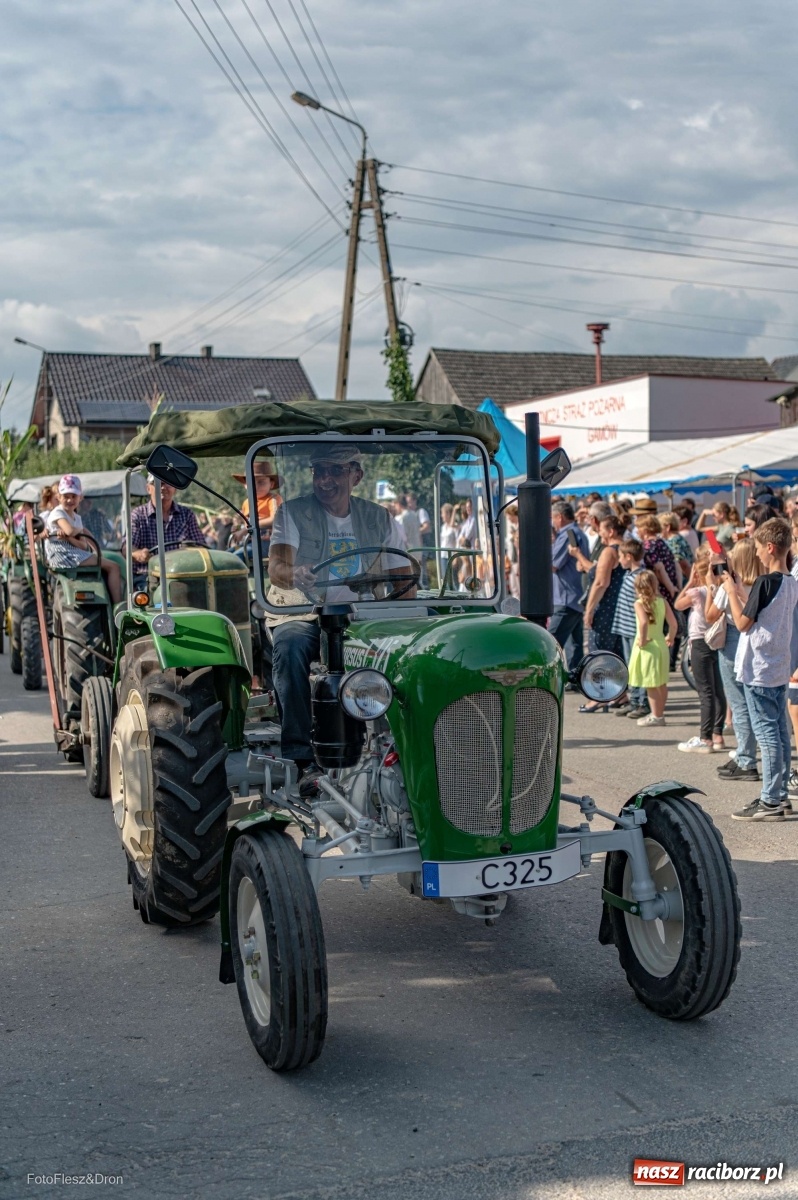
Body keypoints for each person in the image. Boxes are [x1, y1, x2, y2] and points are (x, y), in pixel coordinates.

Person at [267, 444, 414, 794]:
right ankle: (300, 756)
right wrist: (295, 572)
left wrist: (407, 622)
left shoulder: (380, 518)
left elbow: (403, 579)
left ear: (356, 475)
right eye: (319, 471)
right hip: (304, 611)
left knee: (403, 653)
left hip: (361, 618)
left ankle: (401, 747)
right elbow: (276, 567)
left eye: (335, 470)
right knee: (289, 647)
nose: (325, 479)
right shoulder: (292, 513)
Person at [723, 517, 798, 820]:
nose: (755, 554)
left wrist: (730, 591)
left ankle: (770, 799)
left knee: (767, 734)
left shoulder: (767, 582)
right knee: (779, 731)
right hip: (777, 664)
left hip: (760, 668)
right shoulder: (790, 582)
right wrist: (742, 591)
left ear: (769, 547)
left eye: (757, 548)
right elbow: (762, 612)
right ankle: (778, 795)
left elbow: (743, 623)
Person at [705, 539, 762, 782]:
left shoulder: (730, 587)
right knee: (751, 700)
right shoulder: (763, 583)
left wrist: (710, 587)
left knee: (738, 702)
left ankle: (746, 759)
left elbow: (710, 616)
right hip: (756, 641)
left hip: (732, 640)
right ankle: (743, 754)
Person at [674, 546, 726, 753]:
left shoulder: (696, 592)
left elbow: (678, 604)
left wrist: (689, 582)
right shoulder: (717, 590)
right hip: (715, 640)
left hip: (699, 642)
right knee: (718, 691)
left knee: (705, 691)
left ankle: (705, 738)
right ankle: (717, 733)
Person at [45, 475, 122, 603]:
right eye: (66, 496)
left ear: (80, 497)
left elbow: (82, 545)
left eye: (73, 496)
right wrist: (79, 531)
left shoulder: (77, 518)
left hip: (74, 552)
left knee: (107, 563)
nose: (70, 500)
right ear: (58, 497)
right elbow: (69, 530)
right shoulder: (58, 513)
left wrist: (76, 539)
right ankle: (119, 606)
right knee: (114, 567)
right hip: (62, 555)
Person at [577, 515, 625, 711]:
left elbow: (600, 582)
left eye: (602, 530)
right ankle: (620, 694)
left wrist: (589, 610)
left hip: (606, 607)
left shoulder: (609, 551)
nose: (600, 534)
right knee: (618, 653)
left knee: (599, 653)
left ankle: (600, 696)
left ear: (611, 531)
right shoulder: (627, 547)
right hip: (621, 607)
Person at [129, 473, 205, 582]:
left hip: (181, 575)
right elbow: (128, 548)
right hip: (149, 576)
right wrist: (140, 554)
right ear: (148, 488)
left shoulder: (186, 514)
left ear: (175, 489)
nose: (164, 487)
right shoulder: (138, 515)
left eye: (169, 484)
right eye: (158, 483)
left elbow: (200, 546)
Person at [628, 569, 677, 727]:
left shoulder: (639, 604)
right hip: (661, 644)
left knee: (651, 684)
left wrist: (642, 640)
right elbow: (673, 624)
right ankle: (659, 713)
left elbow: (642, 623)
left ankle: (657, 715)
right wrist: (671, 636)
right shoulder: (662, 602)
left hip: (648, 647)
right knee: (661, 683)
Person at [550, 501, 589, 673]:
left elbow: (552, 564)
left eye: (553, 518)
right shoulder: (579, 532)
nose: (553, 522)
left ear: (560, 517)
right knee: (576, 643)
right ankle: (575, 676)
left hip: (566, 597)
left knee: (551, 641)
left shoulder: (567, 534)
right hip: (575, 594)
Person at [612, 538, 648, 718]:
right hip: (625, 627)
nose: (619, 560)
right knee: (630, 667)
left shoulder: (640, 578)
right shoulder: (628, 574)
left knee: (638, 667)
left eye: (620, 556)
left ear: (628, 556)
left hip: (635, 630)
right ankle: (633, 700)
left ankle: (642, 702)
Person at [231, 458, 282, 555]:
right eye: (251, 482)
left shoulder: (274, 499)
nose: (256, 486)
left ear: (271, 484)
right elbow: (245, 523)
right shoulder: (247, 503)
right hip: (250, 542)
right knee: (228, 555)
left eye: (261, 482)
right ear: (245, 485)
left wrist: (246, 529)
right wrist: (237, 528)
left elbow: (274, 519)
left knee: (237, 557)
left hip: (269, 543)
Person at [635, 514, 679, 604]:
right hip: (670, 585)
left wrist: (670, 588)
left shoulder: (648, 545)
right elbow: (675, 563)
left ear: (645, 530)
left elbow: (659, 569)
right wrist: (677, 585)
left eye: (638, 528)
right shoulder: (660, 541)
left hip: (661, 590)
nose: (636, 531)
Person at [660, 512, 693, 582]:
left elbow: (684, 565)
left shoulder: (673, 542)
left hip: (682, 583)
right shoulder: (679, 538)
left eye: (660, 527)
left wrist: (691, 583)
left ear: (667, 527)